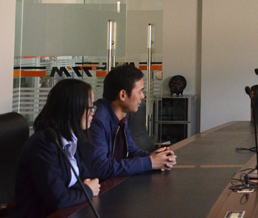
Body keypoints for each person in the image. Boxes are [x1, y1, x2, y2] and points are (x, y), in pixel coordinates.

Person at [12, 79, 101, 218]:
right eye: (89, 108)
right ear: (71, 110)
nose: (93, 113)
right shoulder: (43, 144)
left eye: (93, 107)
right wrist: (87, 190)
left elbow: (88, 178)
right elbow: (59, 199)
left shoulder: (69, 139)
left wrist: (76, 191)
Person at [80, 64, 176, 180]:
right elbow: (101, 168)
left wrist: (158, 157)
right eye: (140, 91)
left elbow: (130, 151)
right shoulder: (96, 119)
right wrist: (150, 162)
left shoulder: (121, 118)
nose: (143, 96)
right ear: (123, 95)